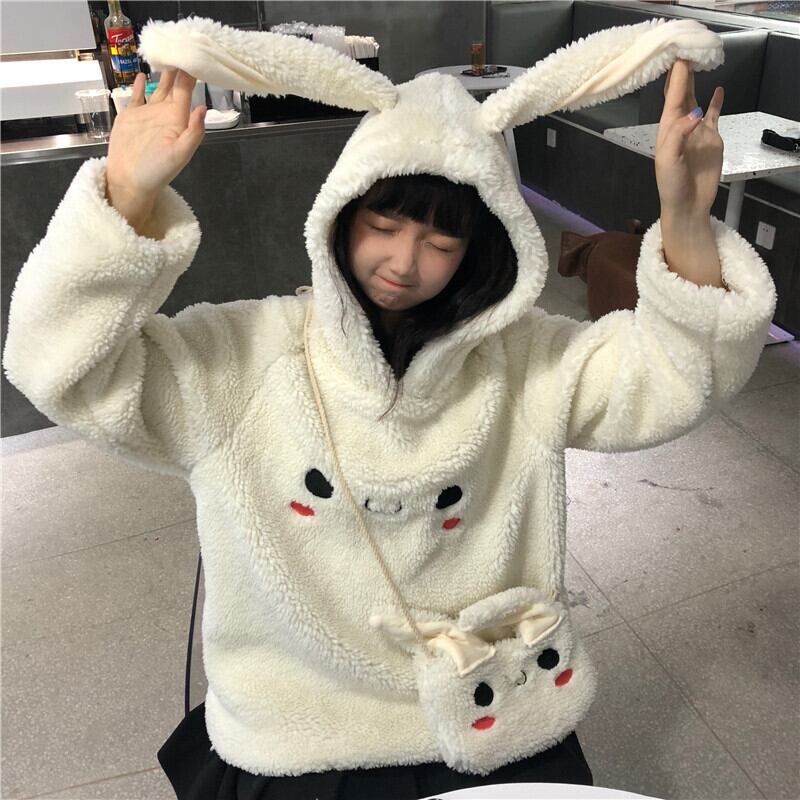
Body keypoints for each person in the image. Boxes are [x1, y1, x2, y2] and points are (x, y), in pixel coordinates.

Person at [3, 15, 776, 800]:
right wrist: (126, 195)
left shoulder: (522, 364)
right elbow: (61, 369)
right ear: (340, 214)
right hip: (299, 727)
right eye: (383, 224)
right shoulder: (249, 355)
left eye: (441, 244)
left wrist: (685, 222)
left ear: (484, 248)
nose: (404, 263)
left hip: (489, 707)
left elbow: (676, 377)